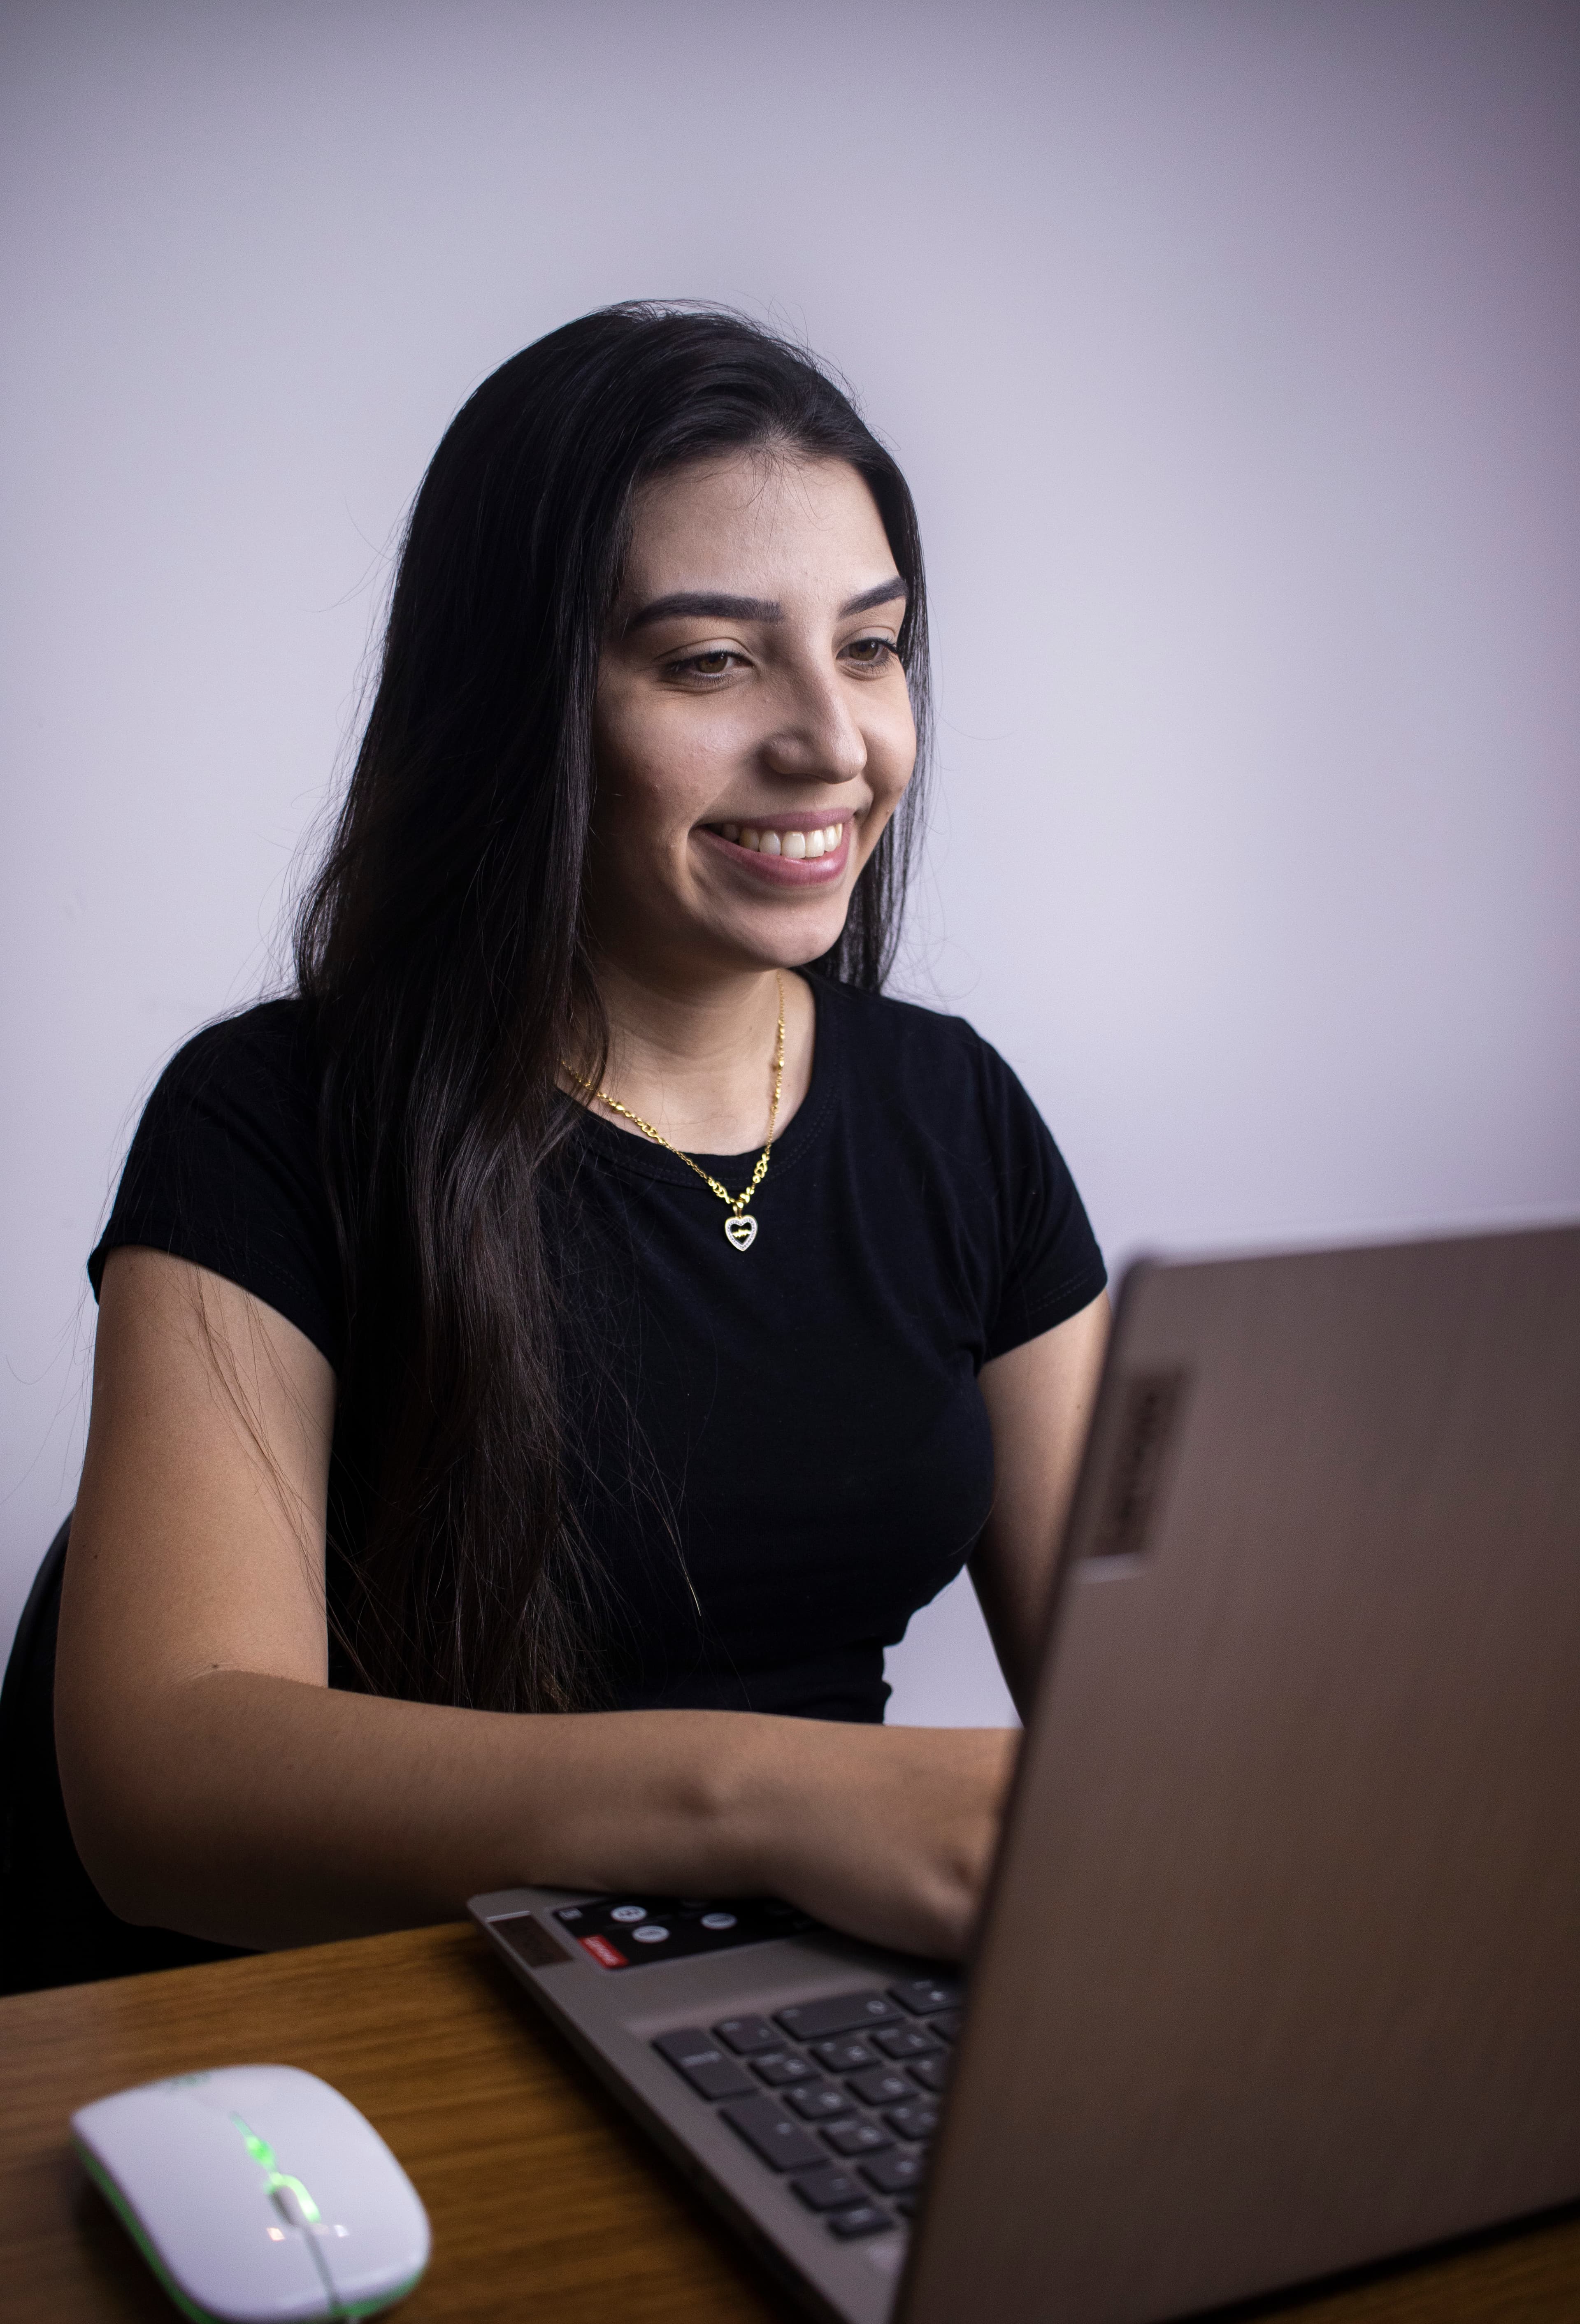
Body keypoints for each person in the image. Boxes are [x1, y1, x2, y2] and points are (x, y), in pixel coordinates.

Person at [48, 304, 1108, 1986]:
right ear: (518, 702)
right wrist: (771, 1797)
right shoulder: (265, 1122)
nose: (833, 743)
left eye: (873, 647)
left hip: (793, 2030)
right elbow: (159, 1786)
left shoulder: (958, 1117)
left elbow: (1149, 1739)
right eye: (711, 661)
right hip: (379, 2045)